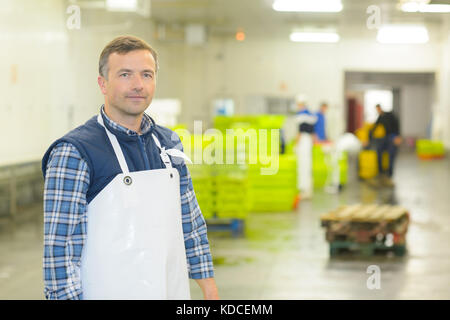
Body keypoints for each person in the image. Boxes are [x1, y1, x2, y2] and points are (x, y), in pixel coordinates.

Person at [41, 35, 218, 300]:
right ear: (103, 83)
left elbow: (190, 222)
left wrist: (210, 289)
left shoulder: (168, 144)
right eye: (125, 74)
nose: (138, 85)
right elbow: (60, 247)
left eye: (147, 75)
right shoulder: (75, 152)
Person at [369, 104, 402, 187]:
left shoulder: (390, 115)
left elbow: (397, 124)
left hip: (393, 136)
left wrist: (398, 136)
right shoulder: (380, 117)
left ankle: (389, 175)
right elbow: (375, 127)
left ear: (380, 108)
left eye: (378, 109)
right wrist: (369, 136)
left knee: (391, 155)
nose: (378, 111)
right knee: (378, 151)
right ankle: (381, 173)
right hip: (385, 138)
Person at [294, 94, 317, 199]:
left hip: (303, 141)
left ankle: (303, 189)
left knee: (302, 165)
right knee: (307, 164)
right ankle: (308, 189)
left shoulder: (301, 114)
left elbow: (300, 131)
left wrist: (296, 144)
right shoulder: (310, 114)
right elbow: (313, 132)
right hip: (308, 142)